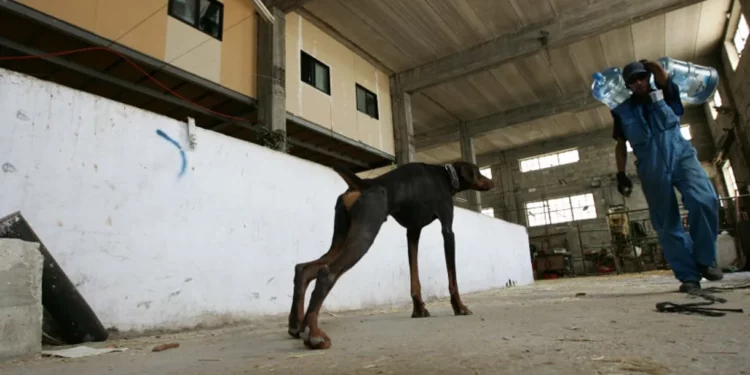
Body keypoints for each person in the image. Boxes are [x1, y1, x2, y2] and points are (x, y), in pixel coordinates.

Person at [610, 60, 723, 294]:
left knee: (705, 200)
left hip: (681, 156)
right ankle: (688, 275)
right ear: (628, 85)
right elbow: (621, 145)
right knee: (665, 221)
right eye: (633, 80)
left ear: (648, 77)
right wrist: (620, 173)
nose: (639, 83)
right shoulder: (622, 111)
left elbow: (662, 76)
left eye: (642, 77)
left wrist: (650, 64)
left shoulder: (666, 93)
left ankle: (705, 260)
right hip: (651, 166)